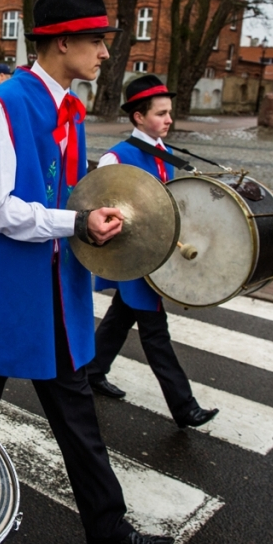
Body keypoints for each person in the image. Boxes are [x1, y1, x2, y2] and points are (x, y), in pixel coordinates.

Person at [0, 0, 173, 544]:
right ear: (62, 40)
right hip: (5, 293)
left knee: (77, 414)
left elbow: (70, 195)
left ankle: (108, 528)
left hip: (56, 287)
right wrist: (76, 221)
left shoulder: (67, 109)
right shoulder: (6, 105)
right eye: (97, 40)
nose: (104, 53)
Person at [87, 76, 220, 429]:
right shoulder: (118, 156)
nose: (168, 120)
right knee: (155, 332)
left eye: (169, 113)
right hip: (135, 259)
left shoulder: (164, 156)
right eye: (161, 114)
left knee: (120, 317)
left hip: (157, 259)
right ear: (138, 117)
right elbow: (104, 204)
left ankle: (93, 371)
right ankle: (184, 407)